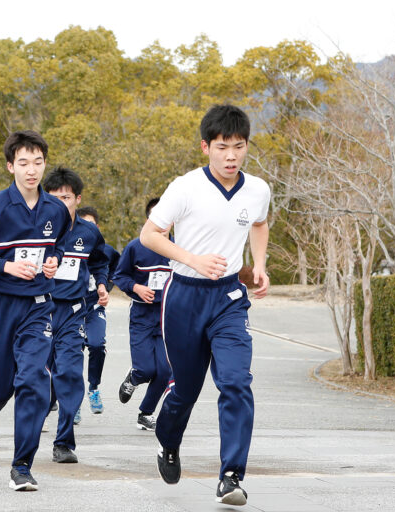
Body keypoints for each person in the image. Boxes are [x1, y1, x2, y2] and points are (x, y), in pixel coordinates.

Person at [139, 104, 270, 506]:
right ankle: (168, 441)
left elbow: (260, 224)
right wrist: (192, 259)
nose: (231, 156)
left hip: (229, 298)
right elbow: (149, 235)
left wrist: (259, 265)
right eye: (222, 147)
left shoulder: (258, 189)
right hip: (185, 296)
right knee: (187, 389)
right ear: (205, 146)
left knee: (235, 382)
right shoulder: (185, 187)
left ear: (247, 146)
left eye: (239, 146)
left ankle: (231, 476)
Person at [0, 130, 70, 491]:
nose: (31, 170)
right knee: (4, 384)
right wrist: (6, 267)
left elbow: (58, 247)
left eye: (38, 162)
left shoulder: (56, 209)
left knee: (34, 381)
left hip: (39, 305)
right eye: (23, 163)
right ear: (11, 165)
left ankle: (22, 465)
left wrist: (53, 261)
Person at [43, 167, 109, 463]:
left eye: (66, 197)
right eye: (54, 197)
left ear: (77, 199)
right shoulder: (34, 230)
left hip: (72, 312)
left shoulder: (88, 232)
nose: (60, 203)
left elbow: (99, 262)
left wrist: (103, 284)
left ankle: (63, 443)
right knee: (33, 379)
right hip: (37, 311)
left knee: (70, 374)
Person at [112, 198, 172, 432]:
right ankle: (134, 377)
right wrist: (136, 288)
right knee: (147, 369)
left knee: (166, 371)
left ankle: (146, 413)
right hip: (142, 315)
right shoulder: (136, 247)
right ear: (150, 220)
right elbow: (120, 276)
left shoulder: (180, 248)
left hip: (168, 317)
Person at [76, 206, 120, 416]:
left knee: (96, 344)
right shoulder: (71, 247)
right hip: (72, 307)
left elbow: (117, 268)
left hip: (94, 306)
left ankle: (93, 388)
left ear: (97, 227)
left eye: (91, 224)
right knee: (72, 351)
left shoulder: (106, 250)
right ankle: (71, 399)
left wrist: (107, 286)